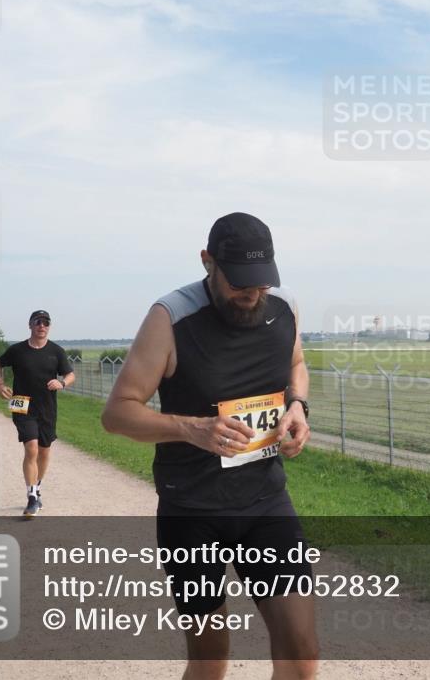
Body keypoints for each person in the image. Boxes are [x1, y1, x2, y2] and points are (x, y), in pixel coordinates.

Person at [101, 212, 316, 680]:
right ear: (208, 262)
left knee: (302, 652)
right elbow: (117, 413)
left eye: (261, 283)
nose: (252, 294)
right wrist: (191, 429)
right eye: (240, 283)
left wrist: (297, 405)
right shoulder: (170, 318)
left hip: (265, 502)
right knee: (210, 661)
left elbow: (296, 363)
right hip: (192, 511)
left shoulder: (284, 308)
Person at [0, 311, 75, 519]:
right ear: (30, 325)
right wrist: (0, 383)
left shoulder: (56, 351)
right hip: (21, 404)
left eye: (46, 323)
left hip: (47, 406)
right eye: (38, 322)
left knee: (44, 451)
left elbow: (70, 374)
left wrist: (62, 383)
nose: (42, 326)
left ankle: (37, 488)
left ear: (49, 327)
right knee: (31, 448)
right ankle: (31, 497)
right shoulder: (17, 350)